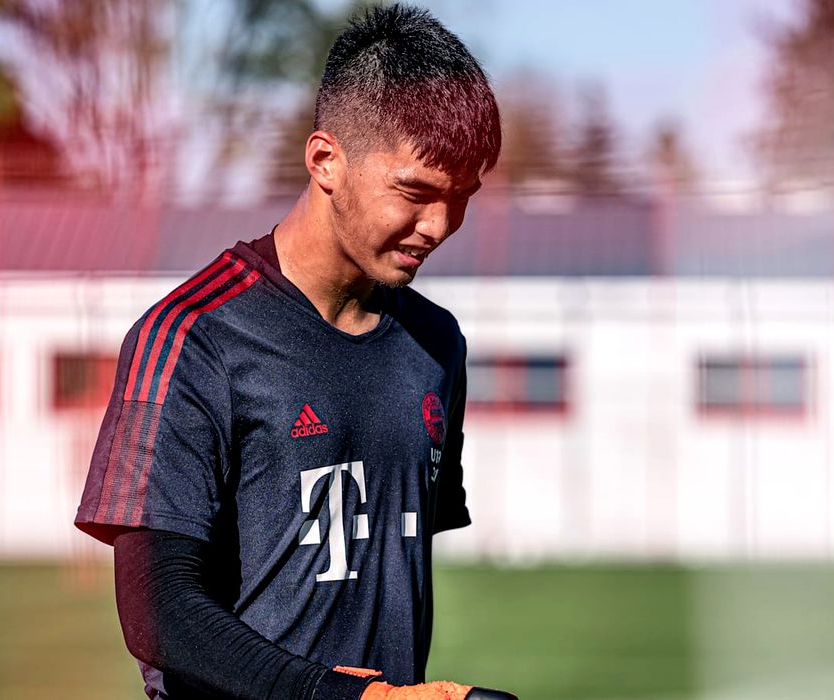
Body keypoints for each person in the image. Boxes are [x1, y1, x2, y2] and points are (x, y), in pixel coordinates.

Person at [75, 5, 512, 698]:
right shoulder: (192, 337)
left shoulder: (437, 344)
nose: (439, 225)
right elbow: (157, 612)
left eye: (461, 197)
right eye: (415, 192)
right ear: (325, 161)